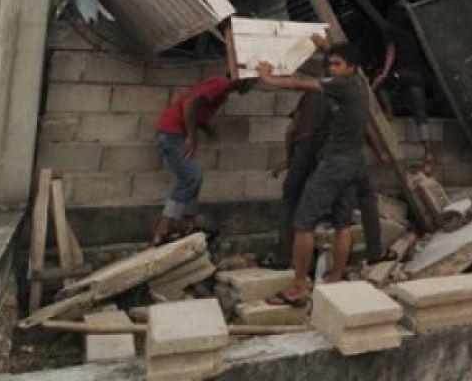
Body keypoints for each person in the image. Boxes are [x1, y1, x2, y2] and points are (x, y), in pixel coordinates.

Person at [255, 40, 371, 306]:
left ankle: (298, 287)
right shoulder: (359, 84)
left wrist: (268, 77)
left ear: (351, 68)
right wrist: (327, 47)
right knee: (342, 224)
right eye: (330, 63)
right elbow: (344, 58)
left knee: (303, 222)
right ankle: (336, 279)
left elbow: (300, 84)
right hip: (355, 164)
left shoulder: (340, 85)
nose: (331, 67)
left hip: (335, 165)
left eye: (337, 64)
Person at [269, 87, 388, 269]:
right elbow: (365, 126)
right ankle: (374, 253)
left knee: (291, 201)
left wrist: (290, 160)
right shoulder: (350, 92)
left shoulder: (310, 94)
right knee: (363, 199)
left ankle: (283, 258)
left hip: (304, 149)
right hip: (336, 153)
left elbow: (291, 130)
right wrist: (380, 153)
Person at [152, 71, 254, 246]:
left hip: (175, 133)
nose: (253, 86)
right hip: (172, 133)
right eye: (253, 81)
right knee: (191, 177)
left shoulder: (223, 91)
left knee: (194, 179)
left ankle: (189, 225)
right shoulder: (221, 84)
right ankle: (162, 229)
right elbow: (189, 104)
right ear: (244, 79)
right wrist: (192, 136)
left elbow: (197, 110)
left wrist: (207, 128)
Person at [373, 2, 436, 175]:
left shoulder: (390, 31)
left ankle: (389, 112)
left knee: (378, 86)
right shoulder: (409, 35)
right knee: (420, 114)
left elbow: (391, 51)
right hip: (417, 77)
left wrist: (384, 73)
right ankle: (429, 152)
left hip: (402, 75)